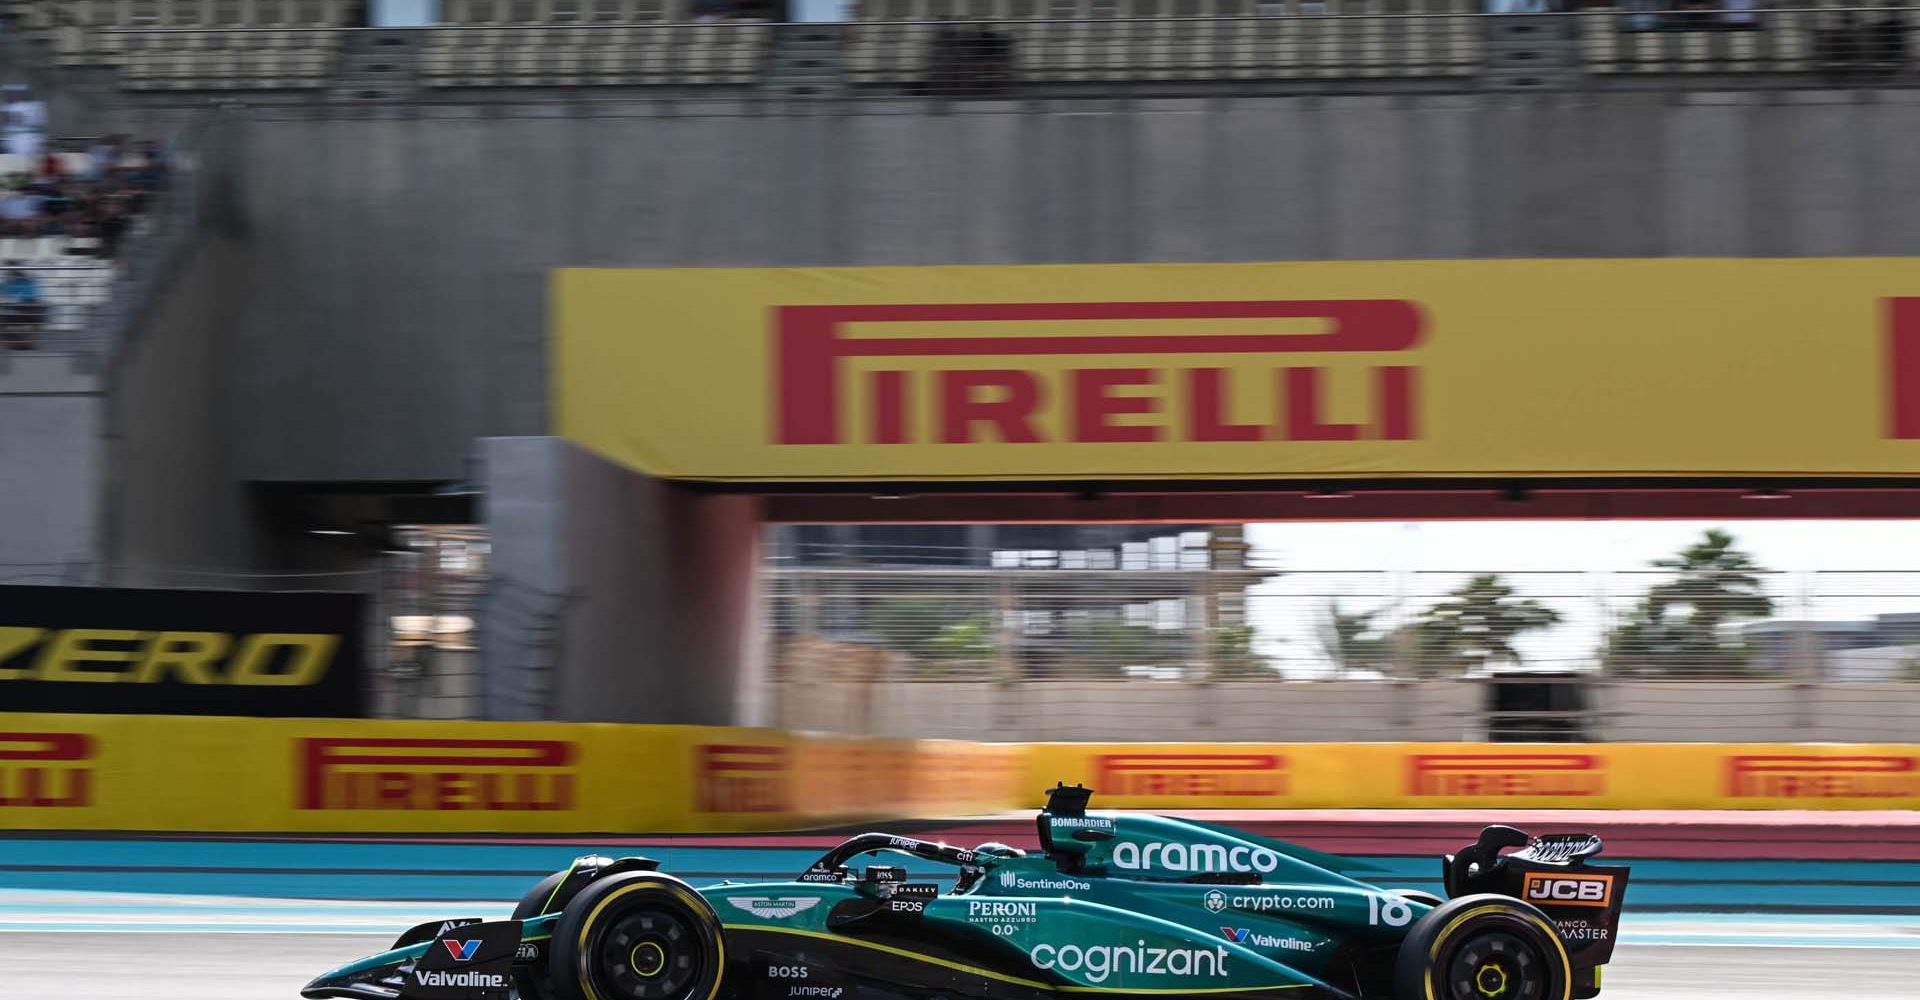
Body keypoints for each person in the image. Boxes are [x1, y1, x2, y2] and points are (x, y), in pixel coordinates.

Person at [0, 264, 45, 350]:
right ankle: (28, 343)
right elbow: (39, 299)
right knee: (36, 320)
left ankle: (10, 344)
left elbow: (5, 298)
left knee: (3, 320)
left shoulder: (8, 283)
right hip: (34, 313)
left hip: (17, 314)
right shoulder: (32, 282)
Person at [3, 83, 46, 161]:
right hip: (16, 140)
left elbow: (40, 125)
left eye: (15, 94)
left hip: (27, 140)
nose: (12, 96)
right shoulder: (8, 107)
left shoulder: (35, 106)